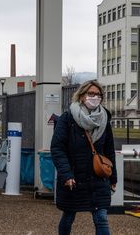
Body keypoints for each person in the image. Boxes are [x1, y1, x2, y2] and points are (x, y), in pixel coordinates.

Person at [51, 80, 117, 235]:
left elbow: (109, 150)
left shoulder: (104, 119)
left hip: (98, 178)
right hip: (74, 178)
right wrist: (66, 174)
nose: (95, 97)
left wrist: (113, 178)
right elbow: (57, 148)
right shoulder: (67, 119)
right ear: (81, 96)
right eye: (91, 93)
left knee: (101, 218)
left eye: (98, 94)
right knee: (68, 216)